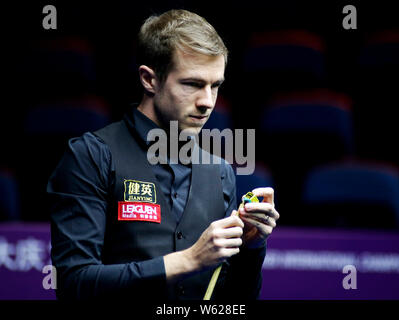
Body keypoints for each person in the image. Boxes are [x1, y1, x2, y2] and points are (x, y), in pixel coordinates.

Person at [47, 9, 279, 300]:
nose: (207, 102)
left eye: (215, 86)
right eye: (192, 84)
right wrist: (189, 260)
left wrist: (252, 247)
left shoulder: (220, 171)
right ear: (149, 79)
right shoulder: (90, 156)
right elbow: (73, 283)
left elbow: (233, 302)